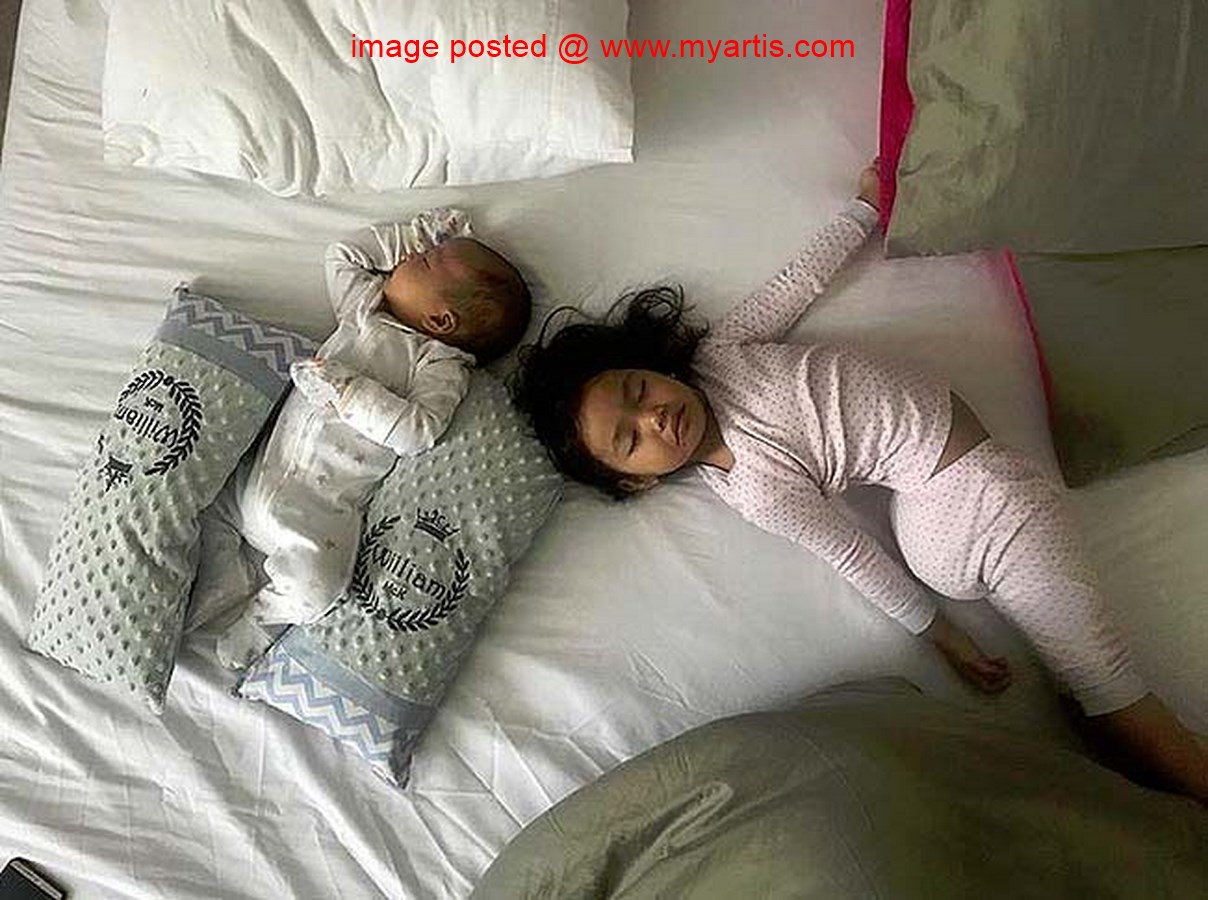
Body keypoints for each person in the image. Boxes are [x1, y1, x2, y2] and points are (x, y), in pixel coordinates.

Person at [509, 166, 1208, 803]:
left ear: (652, 367)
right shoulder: (754, 486)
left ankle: (1113, 740)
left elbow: (796, 282)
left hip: (935, 500)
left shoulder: (723, 353)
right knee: (1109, 680)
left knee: (1086, 673)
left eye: (638, 391)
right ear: (637, 484)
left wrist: (863, 210)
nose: (655, 418)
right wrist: (942, 635)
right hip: (981, 498)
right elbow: (848, 553)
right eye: (631, 440)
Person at [214, 207, 531, 666]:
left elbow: (418, 432)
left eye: (424, 261)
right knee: (199, 504)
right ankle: (211, 585)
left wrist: (348, 392)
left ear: (441, 321)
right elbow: (343, 254)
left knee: (319, 586)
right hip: (255, 473)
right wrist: (416, 235)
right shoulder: (363, 309)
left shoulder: (439, 363)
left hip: (318, 513)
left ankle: (262, 617)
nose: (408, 257)